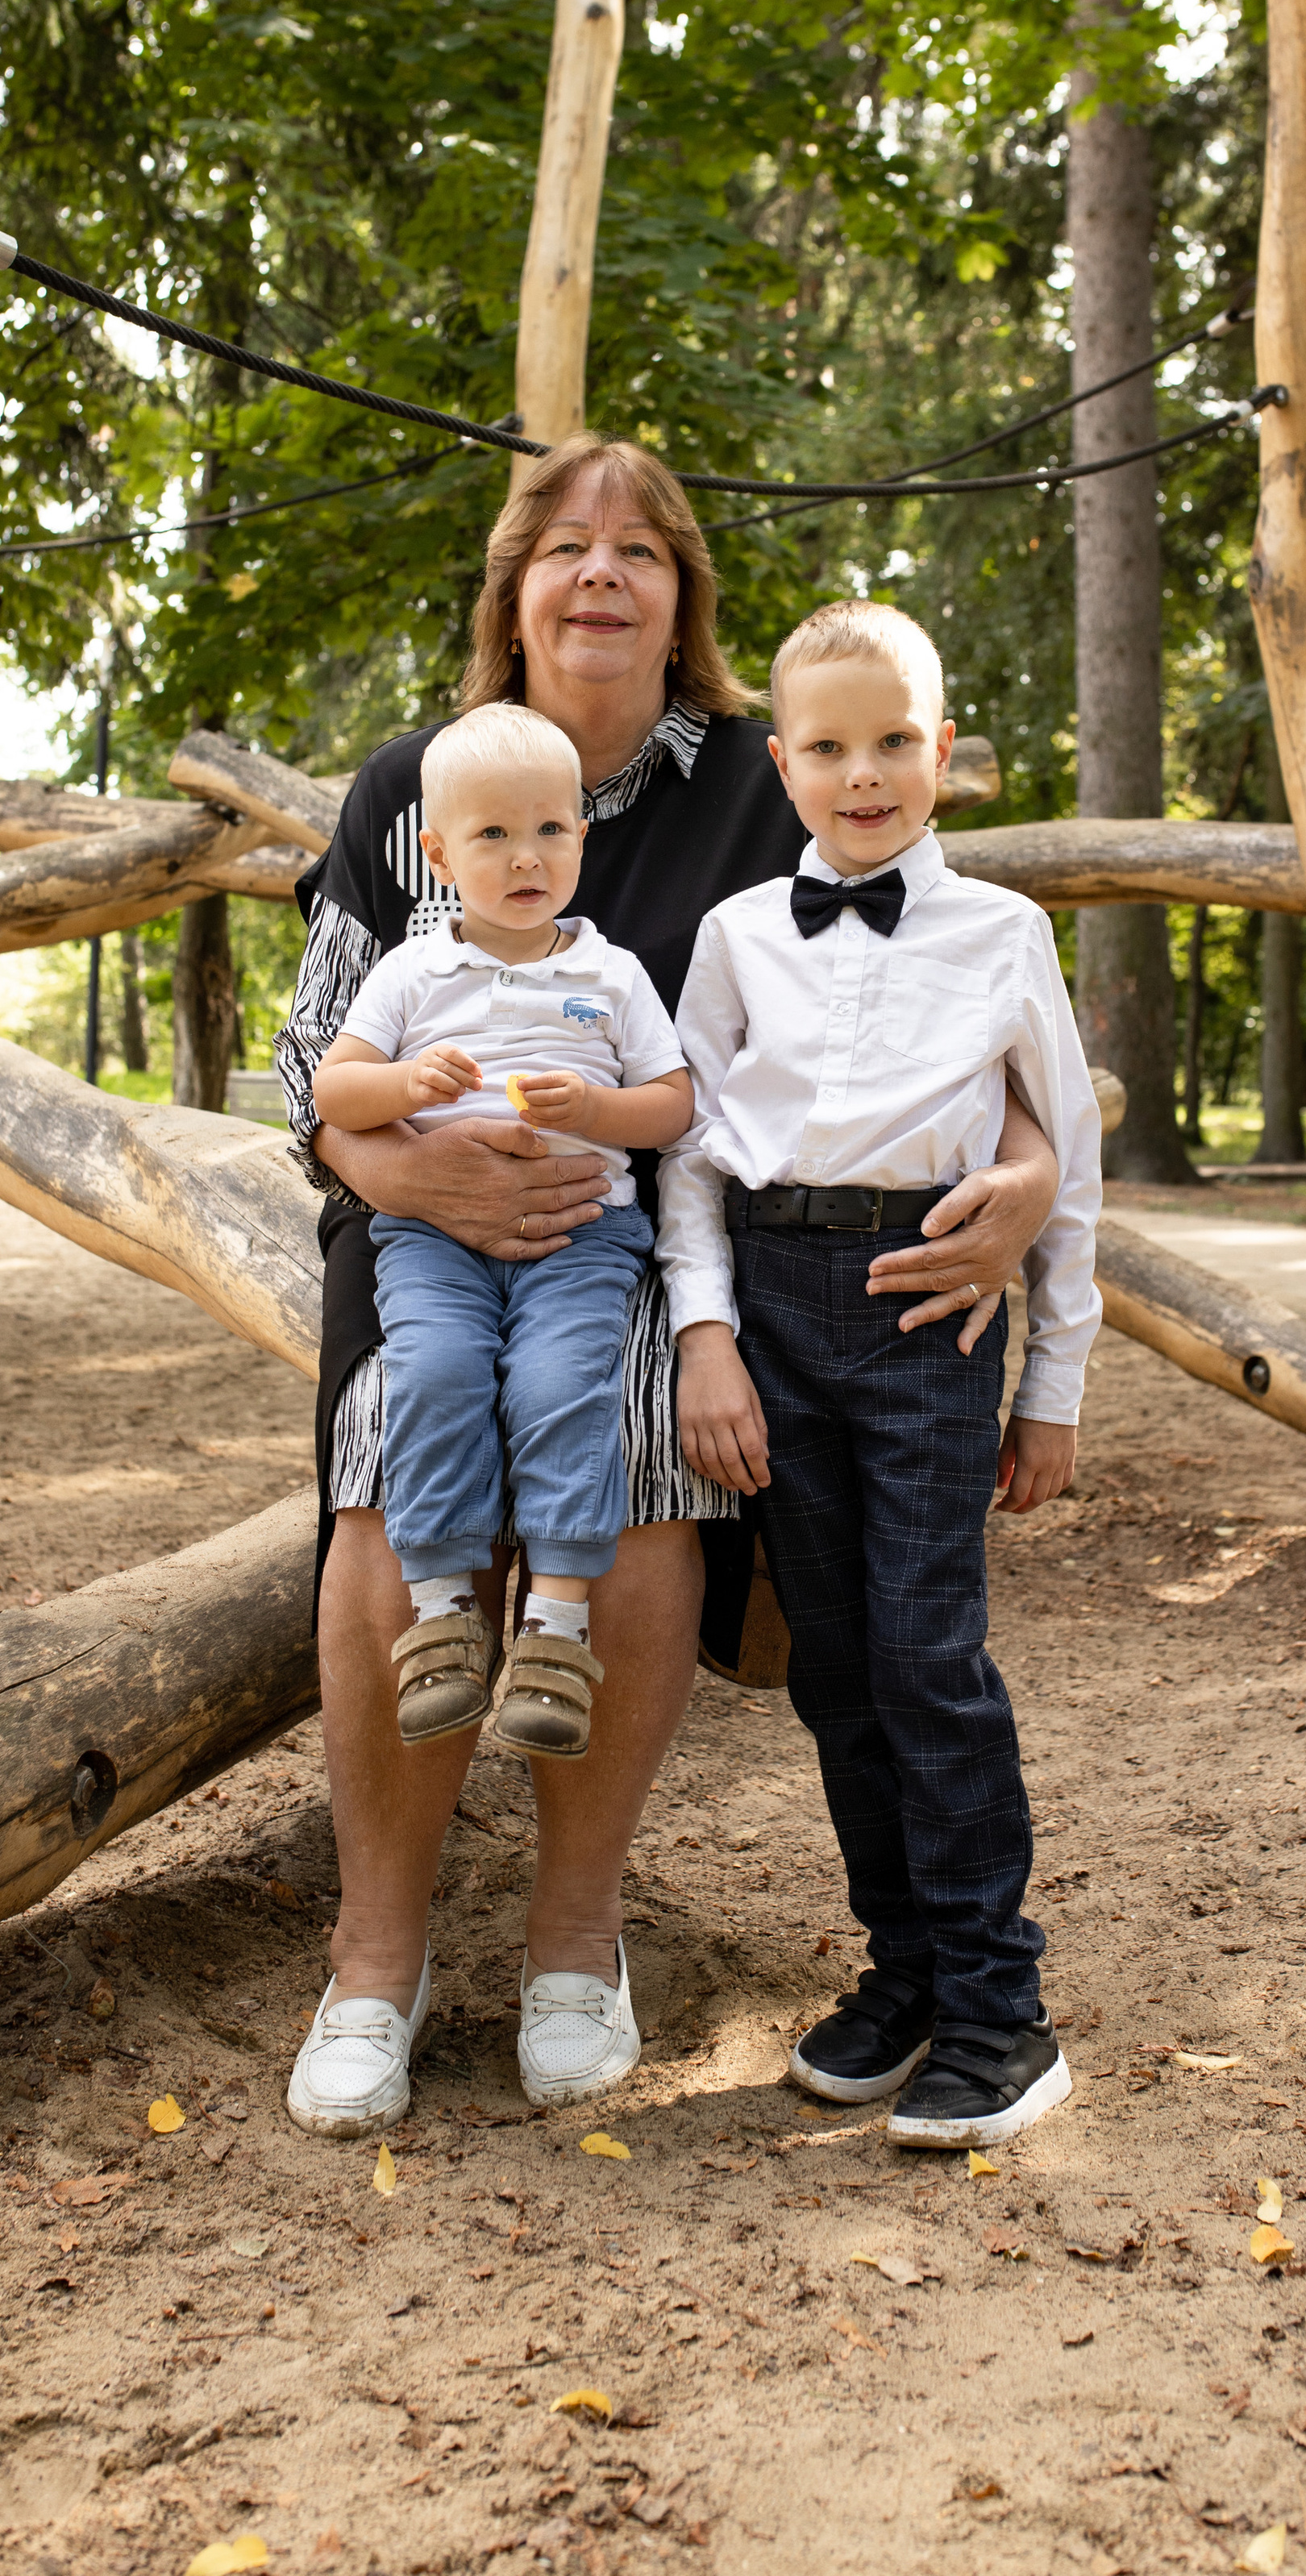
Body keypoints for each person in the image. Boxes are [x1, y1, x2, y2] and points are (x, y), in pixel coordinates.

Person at [274, 434, 1067, 2139]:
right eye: (562, 542)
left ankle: (575, 1942)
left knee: (633, 1466)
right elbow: (306, 1058)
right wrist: (385, 1167)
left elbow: (907, 995)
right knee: (378, 1470)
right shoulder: (411, 779)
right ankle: (374, 1958)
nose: (599, 569)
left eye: (639, 545)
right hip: (410, 1217)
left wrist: (1033, 1158)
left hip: (646, 1234)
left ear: (682, 595)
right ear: (514, 588)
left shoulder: (745, 785)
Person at [659, 596, 1103, 2151]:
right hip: (773, 1318)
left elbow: (1071, 1163)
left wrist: (1051, 1387)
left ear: (943, 752)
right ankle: (904, 1971)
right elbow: (694, 1159)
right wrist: (706, 1332)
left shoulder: (1002, 936)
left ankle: (1003, 2009)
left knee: (930, 1659)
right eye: (831, 747)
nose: (865, 774)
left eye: (895, 742)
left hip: (932, 1310)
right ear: (782, 764)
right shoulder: (732, 942)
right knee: (836, 1668)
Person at [310, 701, 694, 1763]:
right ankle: (441, 1621)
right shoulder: (411, 973)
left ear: (582, 834)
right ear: (437, 853)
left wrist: (594, 1112)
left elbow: (671, 1101)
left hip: (583, 1234)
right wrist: (400, 1082)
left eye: (551, 831)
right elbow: (333, 1090)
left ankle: (557, 1632)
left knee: (560, 1384)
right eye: (492, 836)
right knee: (434, 1375)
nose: (526, 858)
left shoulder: (609, 976)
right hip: (433, 1238)